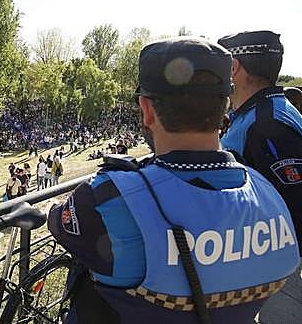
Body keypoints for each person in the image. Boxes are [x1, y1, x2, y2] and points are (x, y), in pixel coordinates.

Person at [48, 38, 299, 324]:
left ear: (147, 109)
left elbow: (59, 224)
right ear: (225, 105)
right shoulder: (267, 192)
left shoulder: (110, 198)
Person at [218, 31, 302, 256]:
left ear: (233, 68)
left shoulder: (267, 123)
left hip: (267, 264)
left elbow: (293, 211)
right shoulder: (263, 112)